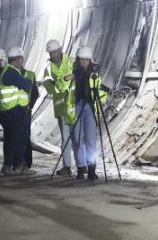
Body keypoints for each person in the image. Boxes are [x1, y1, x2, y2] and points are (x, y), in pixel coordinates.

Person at [67, 45, 109, 181]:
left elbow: (98, 87)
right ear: (78, 60)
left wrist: (106, 91)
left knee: (90, 140)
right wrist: (71, 77)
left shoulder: (94, 73)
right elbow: (64, 82)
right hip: (77, 106)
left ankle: (91, 169)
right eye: (82, 60)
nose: (84, 62)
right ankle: (80, 168)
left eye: (87, 60)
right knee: (78, 140)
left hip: (90, 108)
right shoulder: (73, 71)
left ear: (90, 60)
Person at [0, 47, 34, 175]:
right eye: (21, 59)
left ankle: (19, 165)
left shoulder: (11, 71)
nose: (22, 62)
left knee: (20, 139)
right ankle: (8, 166)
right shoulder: (11, 72)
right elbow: (27, 85)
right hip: (12, 111)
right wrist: (28, 80)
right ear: (18, 59)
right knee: (13, 140)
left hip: (16, 111)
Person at [42, 39, 75, 175]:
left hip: (74, 106)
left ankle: (83, 165)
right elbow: (48, 85)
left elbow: (81, 75)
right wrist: (60, 87)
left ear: (61, 49)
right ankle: (67, 167)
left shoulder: (72, 61)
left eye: (55, 52)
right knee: (65, 139)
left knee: (78, 138)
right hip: (61, 108)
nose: (53, 55)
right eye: (51, 53)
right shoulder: (48, 68)